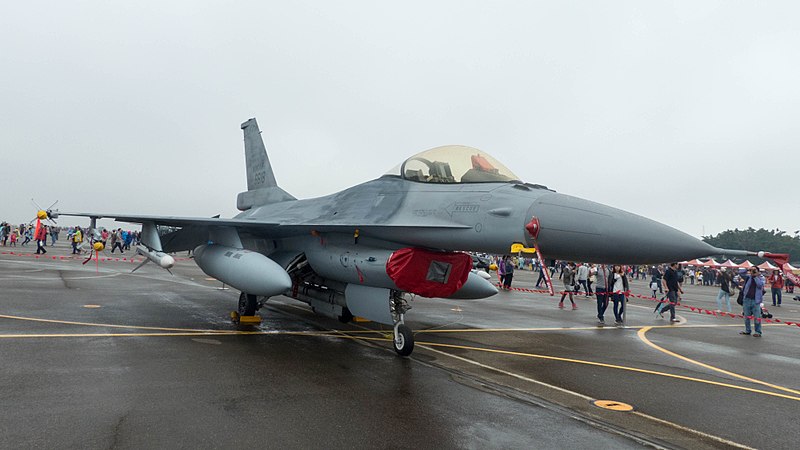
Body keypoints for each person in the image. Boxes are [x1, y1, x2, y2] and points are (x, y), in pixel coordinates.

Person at [739, 268, 766, 337]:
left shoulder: (761, 278)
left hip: (756, 300)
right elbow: (741, 273)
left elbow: (760, 285)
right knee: (746, 317)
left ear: (758, 271)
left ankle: (758, 331)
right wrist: (747, 269)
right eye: (751, 271)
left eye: (754, 270)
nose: (752, 272)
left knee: (757, 317)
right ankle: (747, 330)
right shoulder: (748, 277)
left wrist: (755, 277)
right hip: (747, 299)